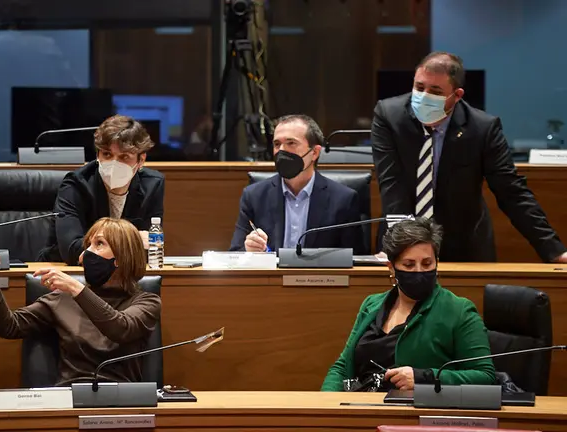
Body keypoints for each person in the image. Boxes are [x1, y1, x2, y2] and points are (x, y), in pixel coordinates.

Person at [372, 51, 567, 263]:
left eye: (435, 91)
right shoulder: (389, 116)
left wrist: (554, 251)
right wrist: (402, 244)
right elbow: (392, 185)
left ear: (457, 95)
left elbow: (511, 192)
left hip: (464, 246)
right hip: (400, 240)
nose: (424, 96)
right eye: (419, 88)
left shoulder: (483, 128)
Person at [0, 217, 161, 385]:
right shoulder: (63, 299)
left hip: (124, 406)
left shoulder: (146, 302)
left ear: (122, 257)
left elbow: (121, 328)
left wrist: (77, 289)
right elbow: (8, 326)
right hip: (69, 399)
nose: (86, 253)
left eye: (99, 244)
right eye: (88, 245)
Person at [321, 218, 496, 391]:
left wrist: (424, 378)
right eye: (409, 265)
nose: (419, 271)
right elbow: (342, 367)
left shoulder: (459, 310)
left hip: (411, 411)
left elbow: (485, 377)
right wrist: (326, 404)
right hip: (359, 405)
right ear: (391, 267)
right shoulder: (371, 304)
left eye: (427, 263)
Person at [38, 115, 165, 265]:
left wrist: (103, 245)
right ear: (97, 155)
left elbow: (151, 248)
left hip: (123, 274)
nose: (114, 163)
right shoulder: (76, 184)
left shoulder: (152, 184)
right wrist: (132, 240)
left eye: (124, 156)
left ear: (141, 160)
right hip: (68, 272)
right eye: (107, 154)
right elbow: (72, 250)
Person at [230, 114, 364, 253]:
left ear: (315, 153)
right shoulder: (254, 196)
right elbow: (234, 253)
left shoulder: (343, 199)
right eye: (277, 144)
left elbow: (356, 261)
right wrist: (248, 249)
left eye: (291, 143)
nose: (281, 150)